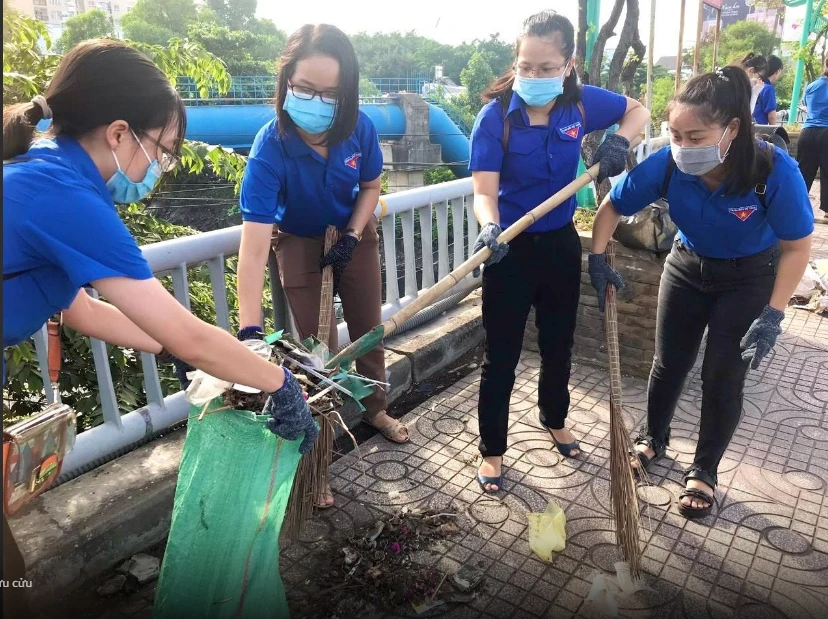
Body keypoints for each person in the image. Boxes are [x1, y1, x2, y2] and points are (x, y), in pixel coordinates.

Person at [3, 40, 317, 616]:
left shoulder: (46, 172)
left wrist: (179, 351)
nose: (159, 169)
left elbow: (82, 310)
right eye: (163, 151)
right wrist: (278, 384)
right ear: (119, 134)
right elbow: (187, 331)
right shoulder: (64, 195)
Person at [589, 66, 813, 519]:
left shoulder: (771, 171)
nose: (682, 146)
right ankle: (653, 437)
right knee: (668, 363)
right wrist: (595, 257)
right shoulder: (670, 164)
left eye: (695, 136)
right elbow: (612, 206)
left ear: (731, 129)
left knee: (723, 375)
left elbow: (796, 248)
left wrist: (774, 313)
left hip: (749, 277)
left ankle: (704, 470)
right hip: (687, 267)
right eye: (674, 133)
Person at [467, 10, 650, 493]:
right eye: (526, 65)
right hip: (507, 248)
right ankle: (492, 449)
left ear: (568, 64)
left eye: (547, 67)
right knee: (501, 355)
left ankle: (554, 418)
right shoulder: (495, 117)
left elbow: (640, 110)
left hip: (561, 244)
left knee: (558, 343)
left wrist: (619, 143)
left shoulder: (581, 104)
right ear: (516, 61)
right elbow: (483, 191)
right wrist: (489, 229)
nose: (534, 76)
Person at [236, 24, 409, 509]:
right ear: (287, 79)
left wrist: (353, 234)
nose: (316, 101)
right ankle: (321, 452)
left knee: (368, 330)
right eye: (305, 88)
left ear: (346, 94)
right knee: (316, 355)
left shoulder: (360, 129)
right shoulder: (270, 146)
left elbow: (372, 186)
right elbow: (251, 250)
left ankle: (377, 409)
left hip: (354, 235)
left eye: (330, 93)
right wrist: (250, 331)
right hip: (298, 241)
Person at [796, 56, 828, 220]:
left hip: (807, 132)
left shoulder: (812, 86)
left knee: (803, 172)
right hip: (826, 133)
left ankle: (795, 206)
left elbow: (807, 107)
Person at [753, 55, 783, 125]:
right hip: (759, 129)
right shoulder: (768, 88)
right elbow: (772, 116)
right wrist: (774, 131)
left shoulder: (755, 84)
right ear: (777, 71)